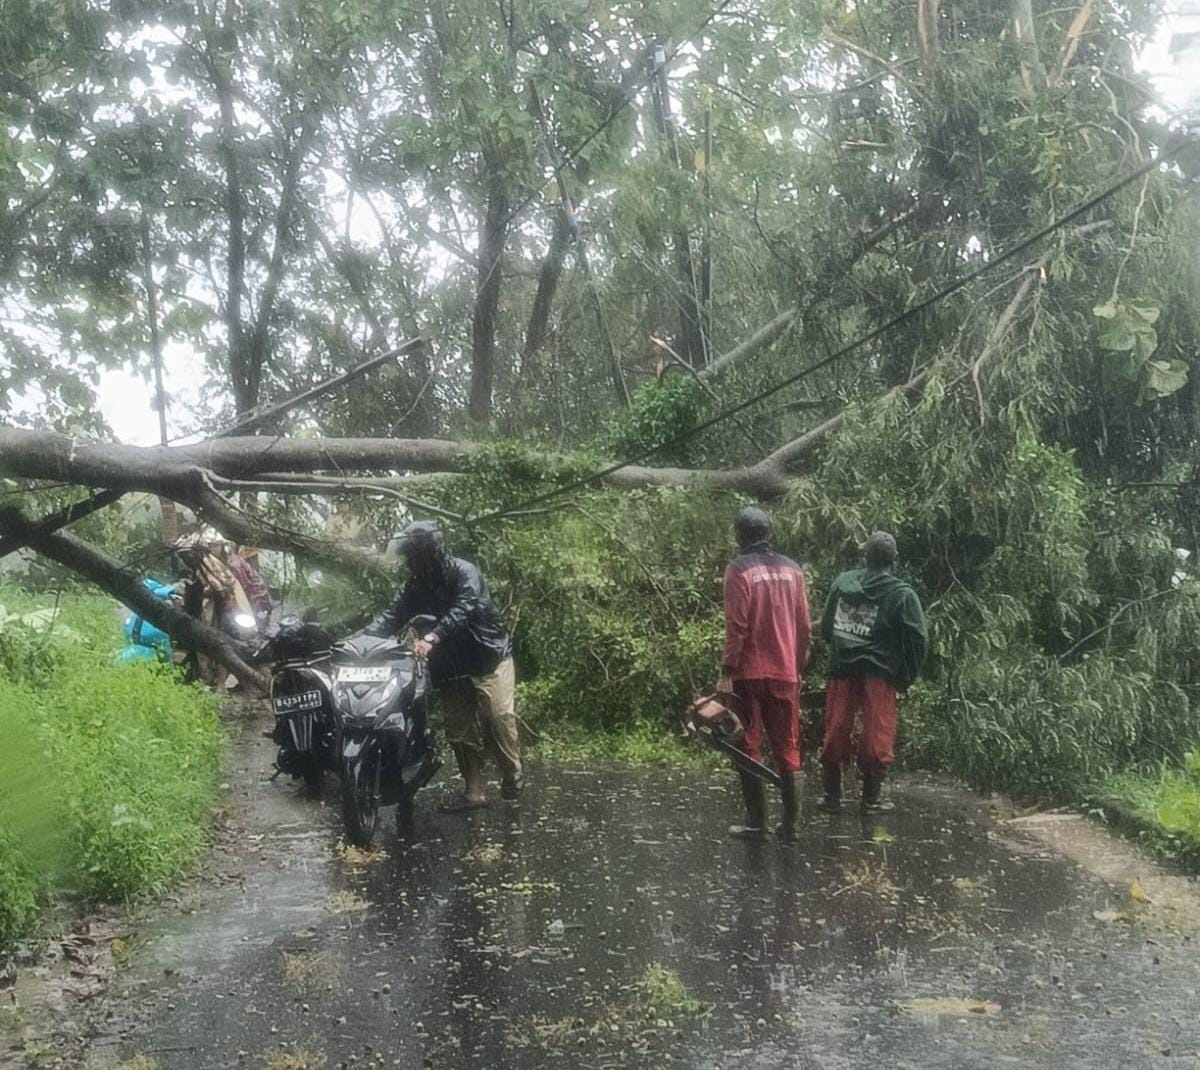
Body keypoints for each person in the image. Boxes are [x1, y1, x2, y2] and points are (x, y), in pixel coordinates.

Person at [365, 520, 523, 811]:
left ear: (430, 552)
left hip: (488, 655)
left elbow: (463, 608)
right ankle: (474, 792)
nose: (410, 562)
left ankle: (512, 772)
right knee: (459, 730)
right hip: (450, 665)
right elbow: (391, 616)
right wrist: (360, 641)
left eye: (414, 555)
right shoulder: (414, 585)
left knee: (497, 716)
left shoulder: (465, 572)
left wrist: (432, 636)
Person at [718, 507, 811, 842]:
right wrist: (798, 664)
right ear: (768, 533)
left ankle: (757, 824)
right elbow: (803, 625)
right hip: (786, 672)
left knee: (748, 744)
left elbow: (737, 627)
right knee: (788, 744)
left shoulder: (738, 569)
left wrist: (726, 671)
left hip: (748, 674)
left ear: (739, 535)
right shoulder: (793, 570)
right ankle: (792, 826)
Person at [817, 531, 927, 814]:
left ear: (865, 555)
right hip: (879, 674)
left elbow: (827, 628)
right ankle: (871, 799)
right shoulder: (902, 595)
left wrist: (844, 646)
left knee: (836, 727)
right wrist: (905, 676)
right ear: (895, 559)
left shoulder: (843, 583)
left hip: (842, 670)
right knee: (877, 732)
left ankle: (831, 797)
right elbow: (918, 640)